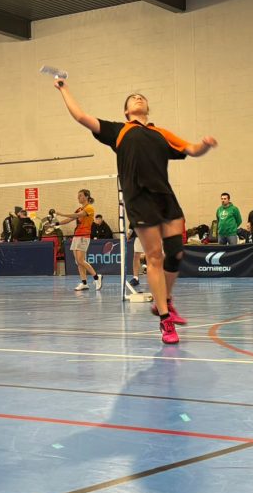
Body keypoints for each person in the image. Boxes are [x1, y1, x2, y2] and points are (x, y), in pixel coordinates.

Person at [56, 83, 215, 343]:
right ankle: (165, 320)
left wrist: (206, 145)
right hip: (139, 199)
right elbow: (81, 116)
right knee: (154, 256)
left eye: (142, 97)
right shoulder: (119, 131)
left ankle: (165, 300)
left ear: (147, 108)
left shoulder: (161, 133)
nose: (138, 98)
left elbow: (192, 149)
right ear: (126, 111)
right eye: (133, 98)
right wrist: (63, 89)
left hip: (165, 197)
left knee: (176, 253)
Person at [56, 189, 101, 291]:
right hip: (76, 236)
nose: (78, 197)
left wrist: (62, 214)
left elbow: (77, 215)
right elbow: (70, 219)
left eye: (80, 195)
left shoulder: (89, 208)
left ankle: (97, 277)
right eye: (78, 195)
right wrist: (56, 223)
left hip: (84, 236)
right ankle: (84, 283)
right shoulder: (79, 209)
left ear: (86, 196)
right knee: (78, 261)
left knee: (81, 260)